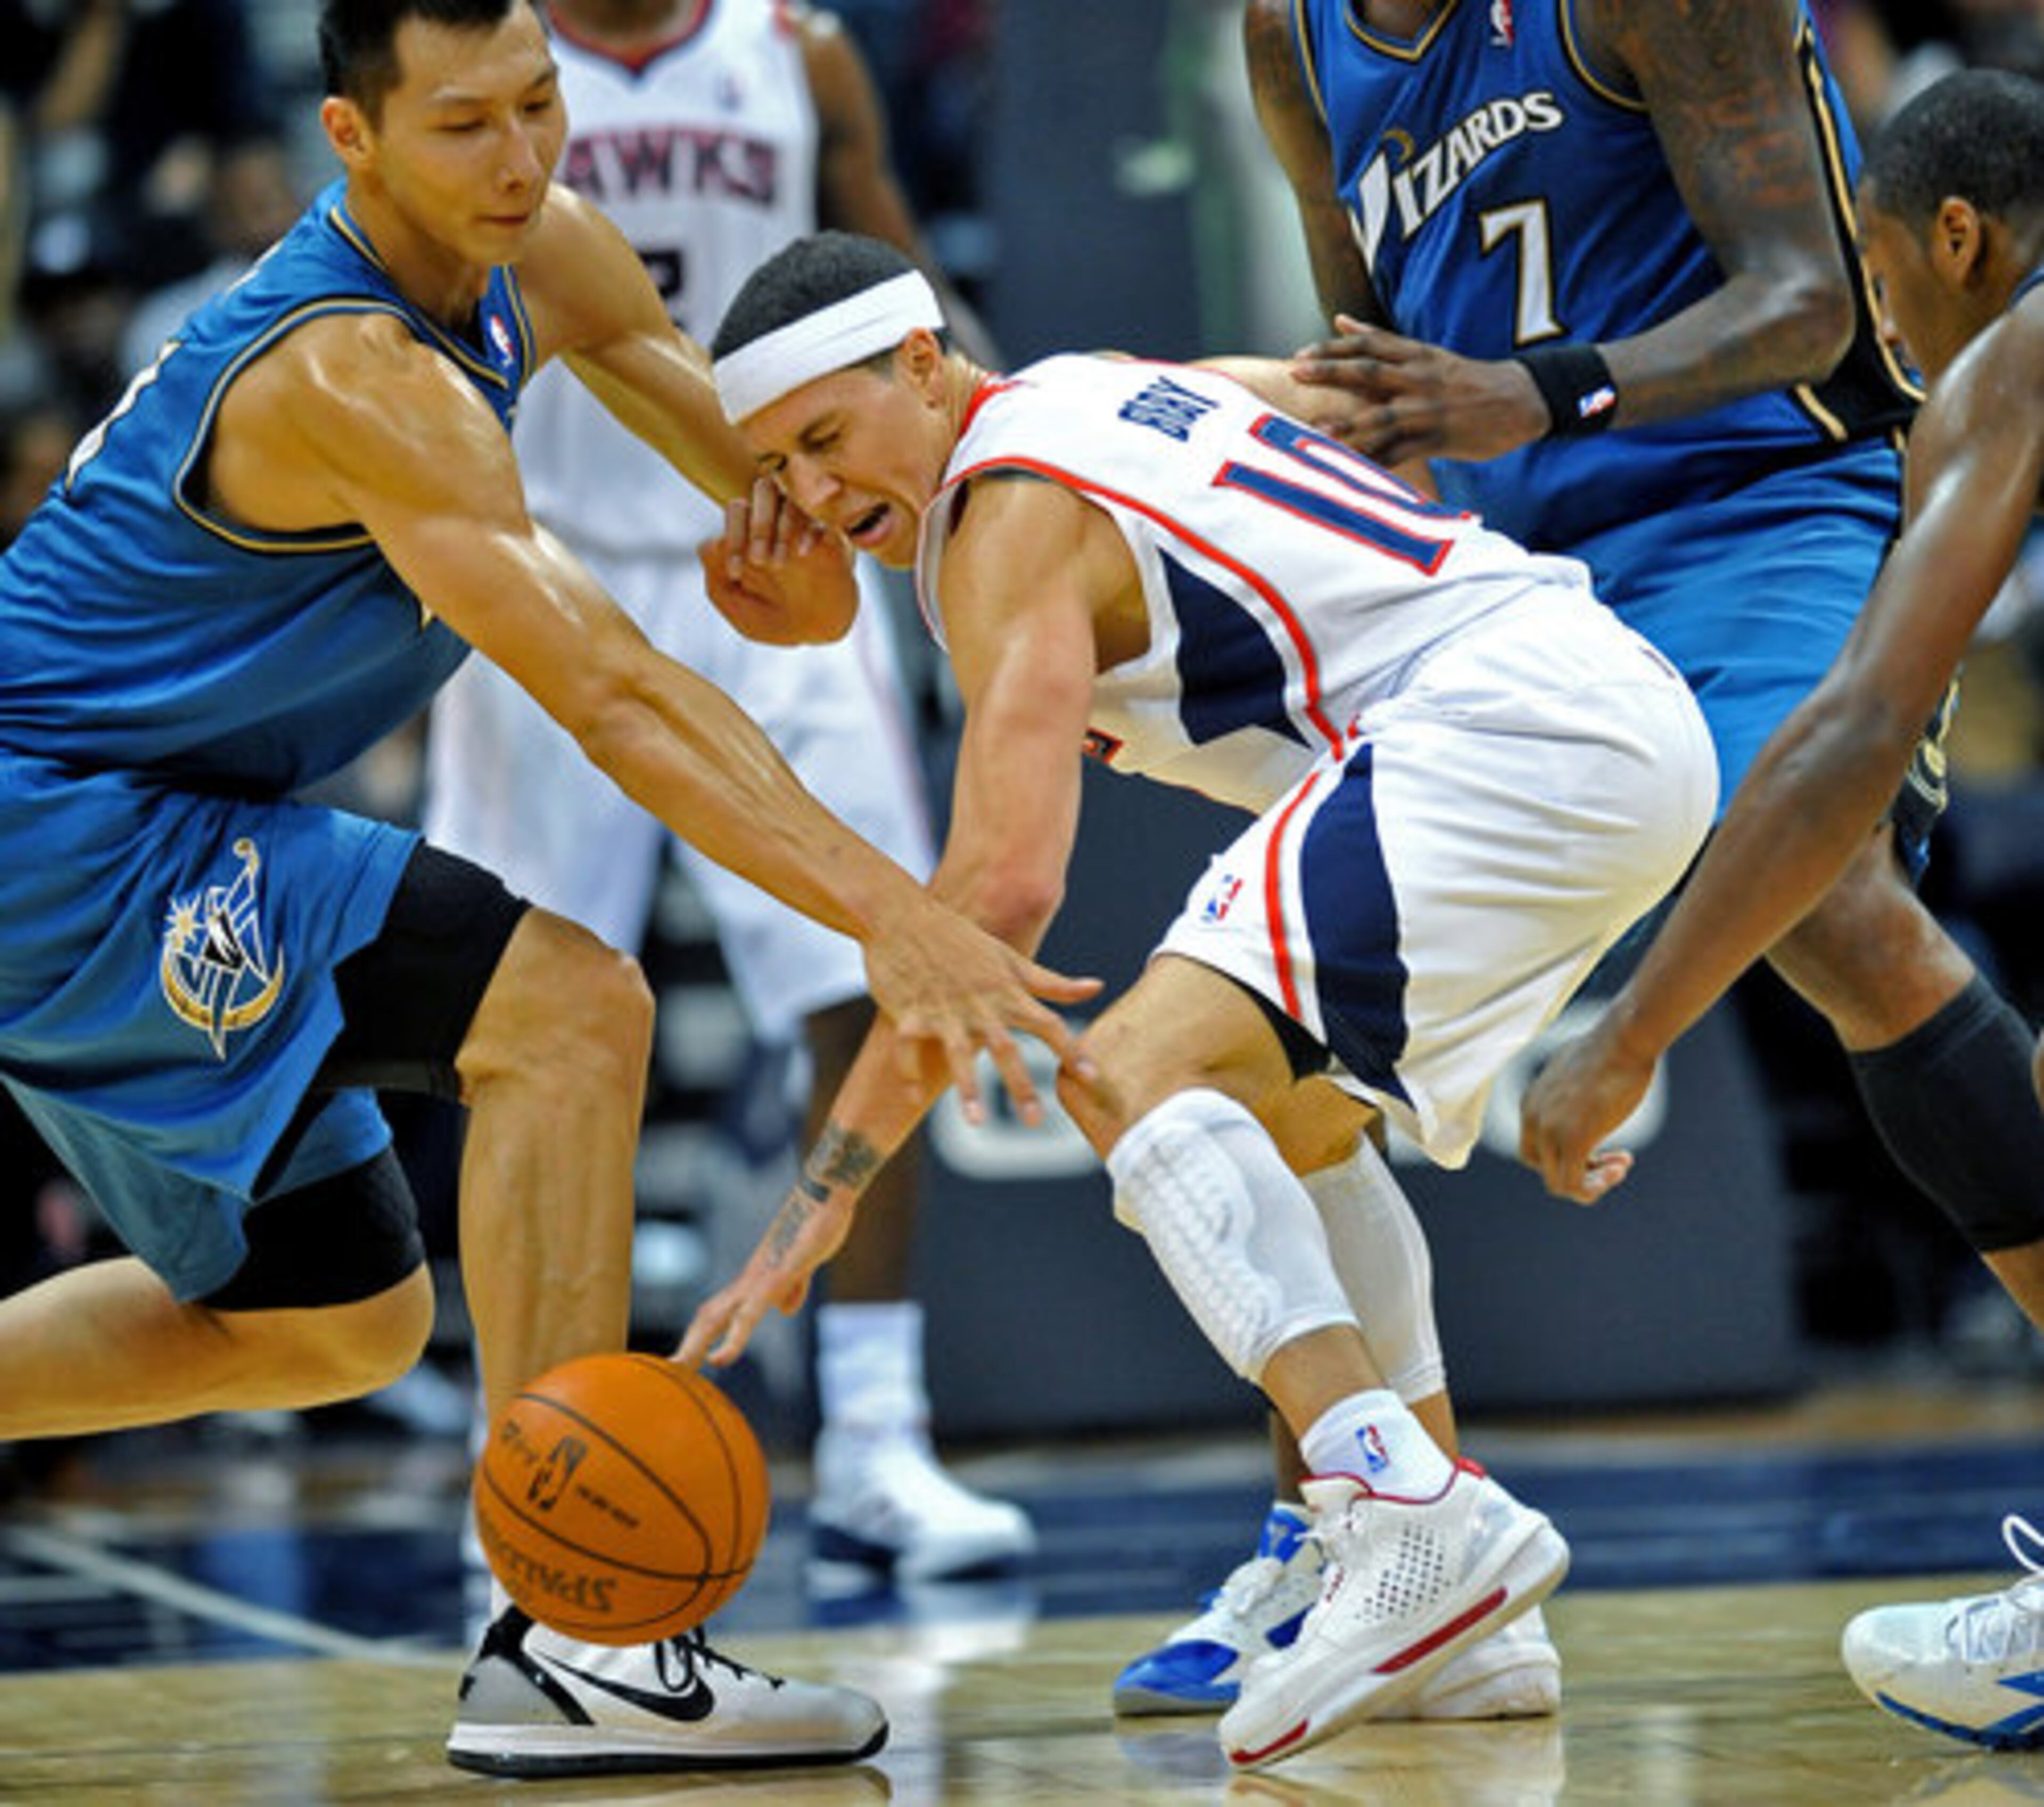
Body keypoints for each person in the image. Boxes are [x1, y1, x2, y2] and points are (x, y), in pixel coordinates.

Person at [0, 0, 1099, 1780]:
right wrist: (891, 907)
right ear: (350, 140)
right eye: (462, 128)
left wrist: (800, 581)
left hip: (162, 818)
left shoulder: (549, 251)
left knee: (334, 1319)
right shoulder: (355, 374)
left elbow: (784, 544)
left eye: (538, 105)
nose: (520, 162)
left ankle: (567, 1633)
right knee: (572, 1008)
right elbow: (613, 691)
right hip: (67, 832)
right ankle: (579, 1639)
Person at [1108, 0, 2044, 1721]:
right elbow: (1371, 374)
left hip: (1747, 514)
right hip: (1497, 576)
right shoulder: (1289, 40)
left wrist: (1536, 393)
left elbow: (1812, 302)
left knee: (1834, 908)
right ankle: (1362, 1527)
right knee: (1262, 1010)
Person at [677, 229, 1721, 1768]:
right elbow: (1331, 403)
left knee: (1130, 1074)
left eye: (827, 442)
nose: (817, 498)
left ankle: (1404, 1508)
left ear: (920, 363)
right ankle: (1468, 1619)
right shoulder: (1094, 388)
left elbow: (997, 902)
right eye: (781, 467)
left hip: (1494, 723)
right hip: (1590, 699)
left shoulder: (1002, 519)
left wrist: (828, 1184)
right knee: (1288, 1115)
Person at [419, 0, 1032, 1585]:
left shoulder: (796, 49)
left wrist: (1025, 453)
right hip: (535, 561)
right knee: (512, 1030)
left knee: (882, 983)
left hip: (781, 566)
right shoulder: (495, 80)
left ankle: (881, 1441)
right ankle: (528, 1452)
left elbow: (913, 305)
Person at [1515, 65, 2044, 1750]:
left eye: (1886, 284)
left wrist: (1628, 1032)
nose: (1891, 328)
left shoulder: (2016, 353)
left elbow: (1852, 731)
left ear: (1958, 237)